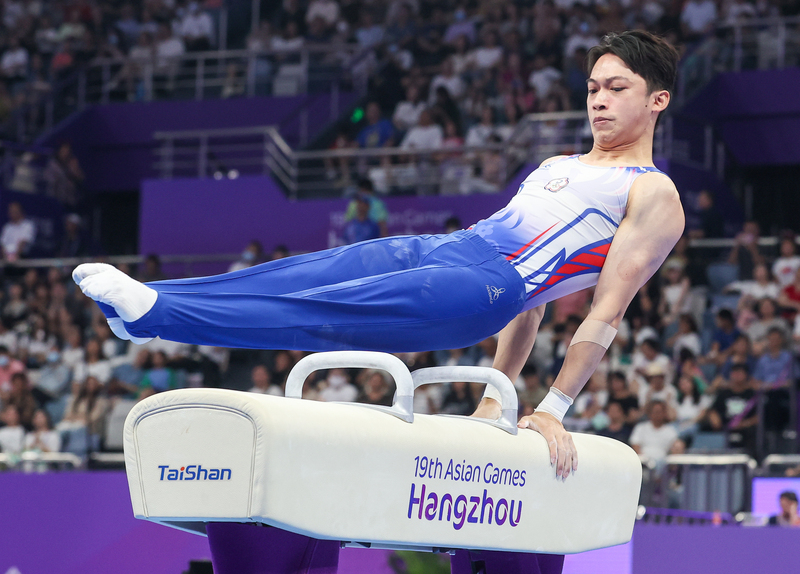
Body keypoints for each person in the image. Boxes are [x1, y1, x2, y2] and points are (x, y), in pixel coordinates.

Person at [74, 31, 684, 481]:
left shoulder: (653, 193)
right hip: (444, 247)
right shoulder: (556, 166)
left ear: (656, 101)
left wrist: (551, 409)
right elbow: (535, 317)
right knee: (306, 271)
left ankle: (158, 318)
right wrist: (498, 395)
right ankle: (152, 307)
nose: (598, 100)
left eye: (617, 88)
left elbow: (604, 311)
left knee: (321, 311)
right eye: (592, 88)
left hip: (485, 288)